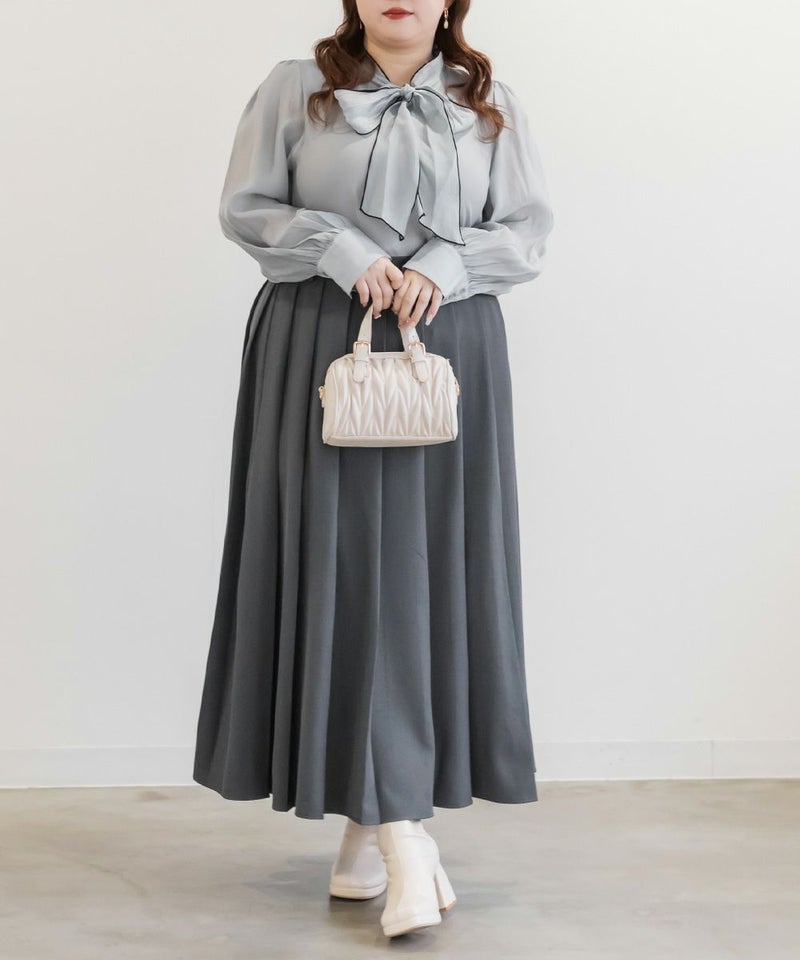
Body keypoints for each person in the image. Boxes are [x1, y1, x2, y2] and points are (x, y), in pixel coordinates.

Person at [193, 0, 554, 938]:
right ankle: (402, 833)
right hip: (320, 342)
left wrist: (444, 263)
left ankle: (373, 828)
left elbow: (525, 228)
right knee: (344, 568)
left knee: (422, 574)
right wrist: (342, 249)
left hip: (448, 343)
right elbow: (246, 205)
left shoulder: (490, 103)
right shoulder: (295, 89)